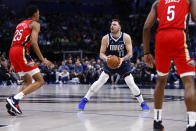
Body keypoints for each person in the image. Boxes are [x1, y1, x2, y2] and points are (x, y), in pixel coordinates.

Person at [143, 0, 196, 130]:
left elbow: (146, 27)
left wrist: (146, 53)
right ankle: (192, 124)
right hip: (179, 37)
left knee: (161, 81)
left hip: (162, 39)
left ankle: (157, 121)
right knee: (188, 82)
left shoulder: (157, 3)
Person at [78, 19, 150, 111]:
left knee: (130, 82)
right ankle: (84, 100)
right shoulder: (106, 38)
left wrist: (122, 59)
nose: (112, 26)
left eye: (114, 25)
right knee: (101, 80)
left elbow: (130, 53)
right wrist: (106, 58)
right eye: (111, 25)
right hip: (110, 62)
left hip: (123, 63)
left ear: (119, 27)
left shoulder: (126, 37)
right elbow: (101, 53)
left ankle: (142, 103)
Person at [6, 5, 52, 116]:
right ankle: (14, 99)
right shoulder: (35, 24)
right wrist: (43, 59)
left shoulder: (20, 24)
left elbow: (13, 42)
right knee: (40, 81)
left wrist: (12, 61)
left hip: (12, 51)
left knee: (27, 81)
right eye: (38, 13)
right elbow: (34, 43)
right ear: (35, 14)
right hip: (21, 51)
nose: (39, 15)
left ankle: (14, 104)